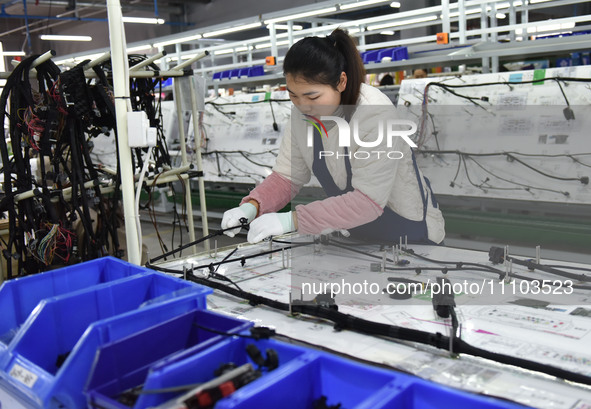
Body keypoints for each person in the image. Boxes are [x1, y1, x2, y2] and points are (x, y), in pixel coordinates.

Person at [221, 28, 445, 245]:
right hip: (359, 236)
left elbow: (367, 202)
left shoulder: (374, 112)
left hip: (409, 235)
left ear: (341, 82)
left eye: (313, 96)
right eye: (293, 95)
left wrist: (293, 219)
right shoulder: (302, 116)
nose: (302, 105)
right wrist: (252, 206)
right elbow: (287, 177)